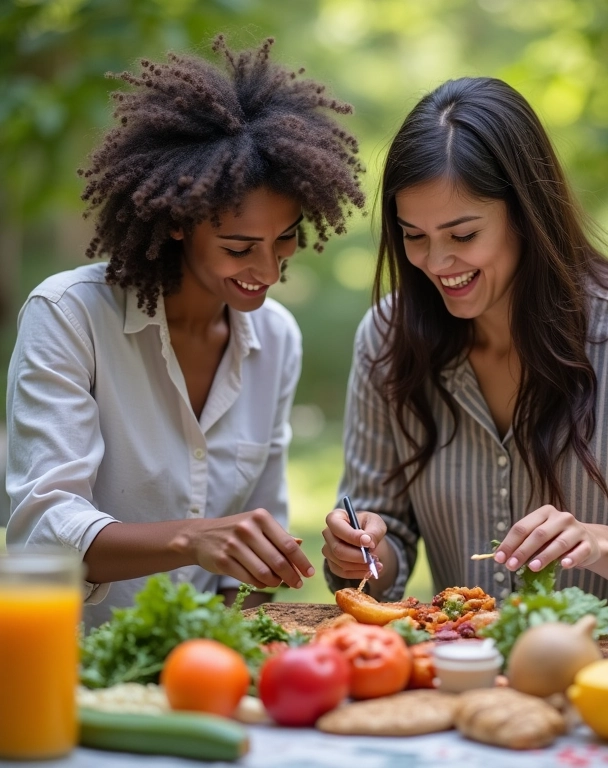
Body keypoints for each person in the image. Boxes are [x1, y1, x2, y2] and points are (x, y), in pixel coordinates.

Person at [321, 76, 608, 620]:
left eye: (462, 235)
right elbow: (386, 542)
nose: (434, 262)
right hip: (494, 682)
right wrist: (363, 551)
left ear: (525, 215)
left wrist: (596, 543)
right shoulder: (388, 340)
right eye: (413, 235)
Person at [6, 35, 365, 629]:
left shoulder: (275, 338)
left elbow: (249, 560)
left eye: (285, 239)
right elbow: (44, 531)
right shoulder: (70, 316)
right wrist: (192, 538)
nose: (269, 271)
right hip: (73, 666)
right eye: (238, 247)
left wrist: (232, 648)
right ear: (178, 223)